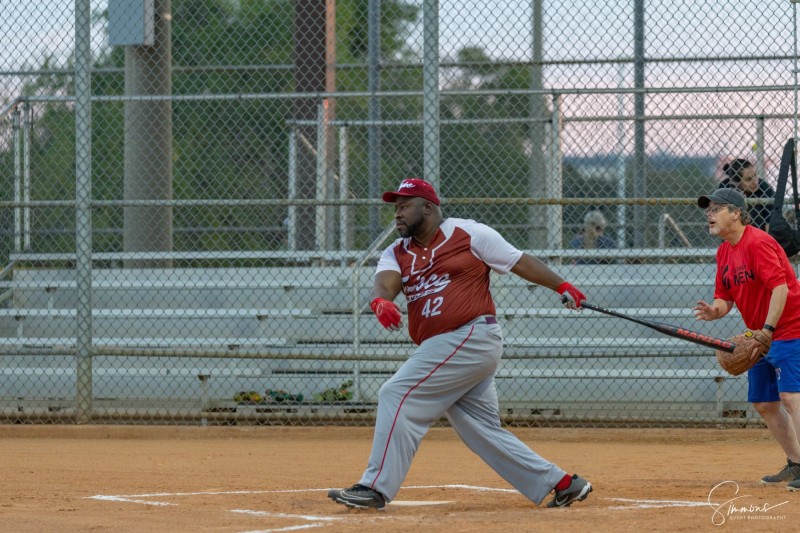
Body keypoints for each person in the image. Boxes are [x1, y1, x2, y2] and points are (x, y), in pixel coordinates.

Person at [327, 178, 593, 510]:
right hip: (444, 348)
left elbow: (518, 261)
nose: (397, 213)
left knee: (396, 393)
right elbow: (385, 283)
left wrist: (561, 285)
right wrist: (381, 302)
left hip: (470, 335)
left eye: (404, 205)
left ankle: (374, 488)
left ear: (428, 208)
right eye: (395, 207)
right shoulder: (396, 252)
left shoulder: (469, 234)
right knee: (479, 429)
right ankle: (563, 483)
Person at [693, 188, 800, 491]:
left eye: (716, 209)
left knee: (791, 397)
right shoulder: (724, 251)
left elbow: (781, 288)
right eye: (708, 210)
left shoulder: (758, 243)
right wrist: (715, 311)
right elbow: (724, 297)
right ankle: (796, 463)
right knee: (764, 403)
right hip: (759, 334)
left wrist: (767, 329)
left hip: (789, 328)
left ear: (736, 213)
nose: (709, 214)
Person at [718, 158, 775, 231]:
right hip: (732, 233)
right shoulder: (725, 187)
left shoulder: (764, 187)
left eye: (755, 175)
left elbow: (769, 222)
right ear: (737, 183)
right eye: (749, 179)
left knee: (754, 210)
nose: (755, 181)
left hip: (759, 234)